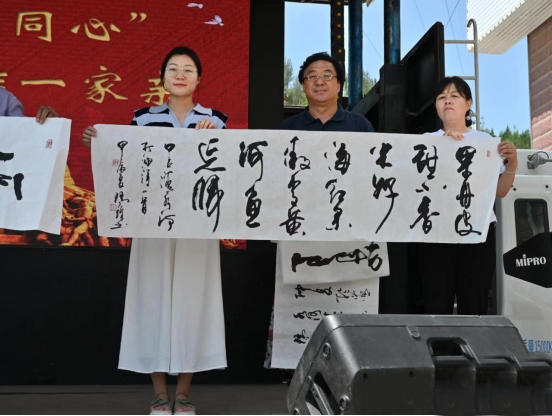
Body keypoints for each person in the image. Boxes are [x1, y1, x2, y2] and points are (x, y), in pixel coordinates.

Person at [82, 46, 228, 416]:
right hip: (152, 222)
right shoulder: (143, 118)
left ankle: (184, 393)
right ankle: (160, 393)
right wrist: (98, 144)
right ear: (162, 78)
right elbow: (124, 165)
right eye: (173, 69)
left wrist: (217, 139)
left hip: (197, 224)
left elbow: (230, 169)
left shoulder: (215, 120)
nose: (180, 75)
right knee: (152, 299)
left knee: (195, 301)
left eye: (188, 69)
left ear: (198, 79)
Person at [265, 52, 375, 368]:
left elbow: (372, 176)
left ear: (339, 85)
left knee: (345, 300)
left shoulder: (360, 126)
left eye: (327, 75)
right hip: (301, 232)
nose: (319, 81)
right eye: (311, 76)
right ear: (303, 85)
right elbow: (274, 179)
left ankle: (348, 369)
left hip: (348, 233)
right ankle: (296, 370)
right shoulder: (287, 129)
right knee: (300, 301)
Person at [418, 76, 518, 316]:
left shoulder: (485, 141)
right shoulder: (425, 141)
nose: (447, 101)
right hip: (436, 231)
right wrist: (440, 149)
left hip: (477, 232)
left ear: (468, 103)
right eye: (441, 97)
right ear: (436, 106)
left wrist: (513, 162)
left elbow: (500, 191)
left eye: (454, 96)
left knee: (474, 300)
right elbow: (415, 186)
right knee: (435, 301)